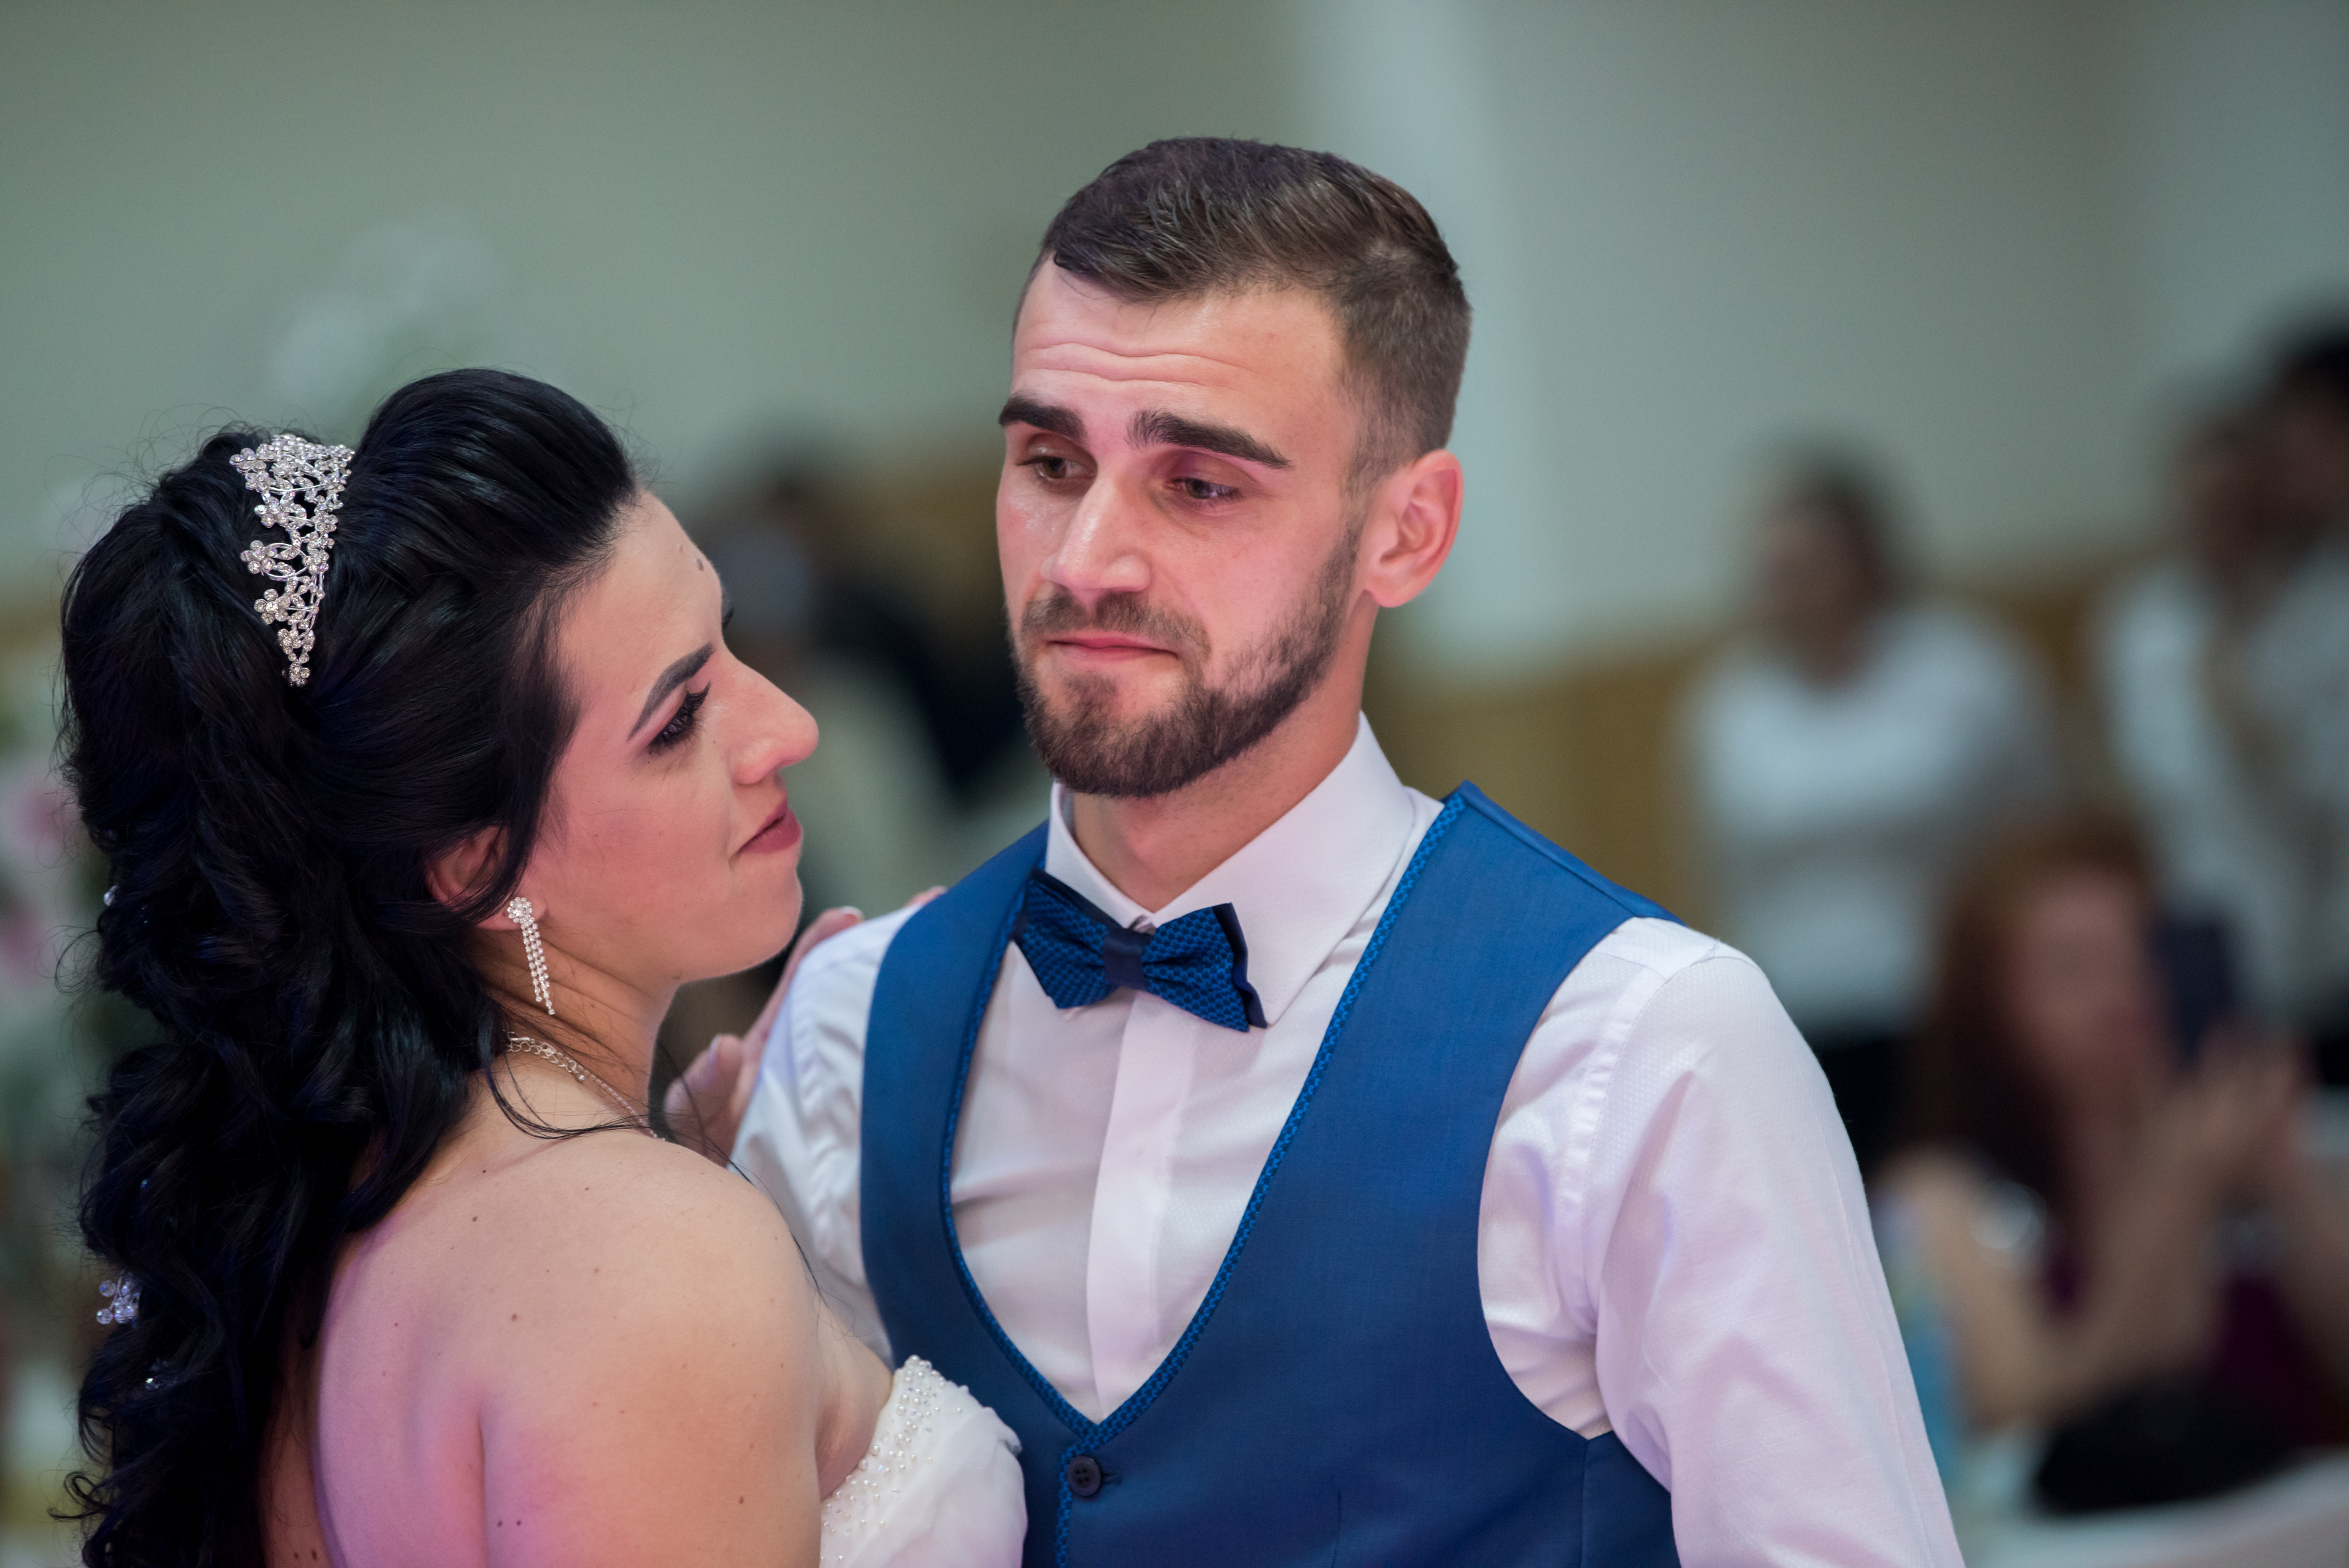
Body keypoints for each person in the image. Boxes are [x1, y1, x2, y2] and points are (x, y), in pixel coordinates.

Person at [680, 139, 1959, 1566]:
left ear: (1404, 533)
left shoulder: (1644, 1050)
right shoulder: (846, 1040)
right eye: (1049, 462)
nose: (1083, 558)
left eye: (1196, 484)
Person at [59, 369, 1022, 1566]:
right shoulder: (654, 1266)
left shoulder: (314, 1249)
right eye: (680, 719)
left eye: (727, 641)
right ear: (474, 863)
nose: (788, 728)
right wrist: (681, 1225)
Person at [1876, 819, 2349, 1482]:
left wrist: (2288, 1174)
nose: (2121, 994)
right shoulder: (1945, 1195)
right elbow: (2035, 1425)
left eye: (2141, 954)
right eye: (2073, 967)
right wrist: (2173, 1187)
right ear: (1989, 1006)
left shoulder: (2255, 1142)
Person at [1682, 455, 2061, 1171]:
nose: (1792, 586)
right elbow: (1720, 874)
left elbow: (2035, 828)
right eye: (1775, 569)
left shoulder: (1965, 671)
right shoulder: (1730, 708)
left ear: (1865, 559)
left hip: (1942, 1007)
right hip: (1800, 1014)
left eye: (1810, 563)